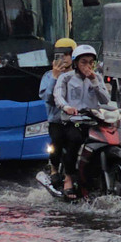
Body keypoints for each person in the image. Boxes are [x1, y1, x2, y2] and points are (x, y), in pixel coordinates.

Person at [53, 44, 111, 198]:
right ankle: (69, 178)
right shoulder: (66, 78)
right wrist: (66, 107)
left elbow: (105, 100)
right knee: (75, 139)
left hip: (92, 121)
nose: (88, 66)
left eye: (91, 62)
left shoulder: (97, 78)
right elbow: (58, 96)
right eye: (84, 62)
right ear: (76, 64)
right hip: (73, 121)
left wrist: (94, 82)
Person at [40, 38, 76, 188]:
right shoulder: (48, 76)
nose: (64, 58)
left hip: (77, 120)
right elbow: (47, 98)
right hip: (57, 120)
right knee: (57, 140)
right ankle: (54, 169)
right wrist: (55, 77)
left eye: (67, 54)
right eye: (60, 54)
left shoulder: (80, 75)